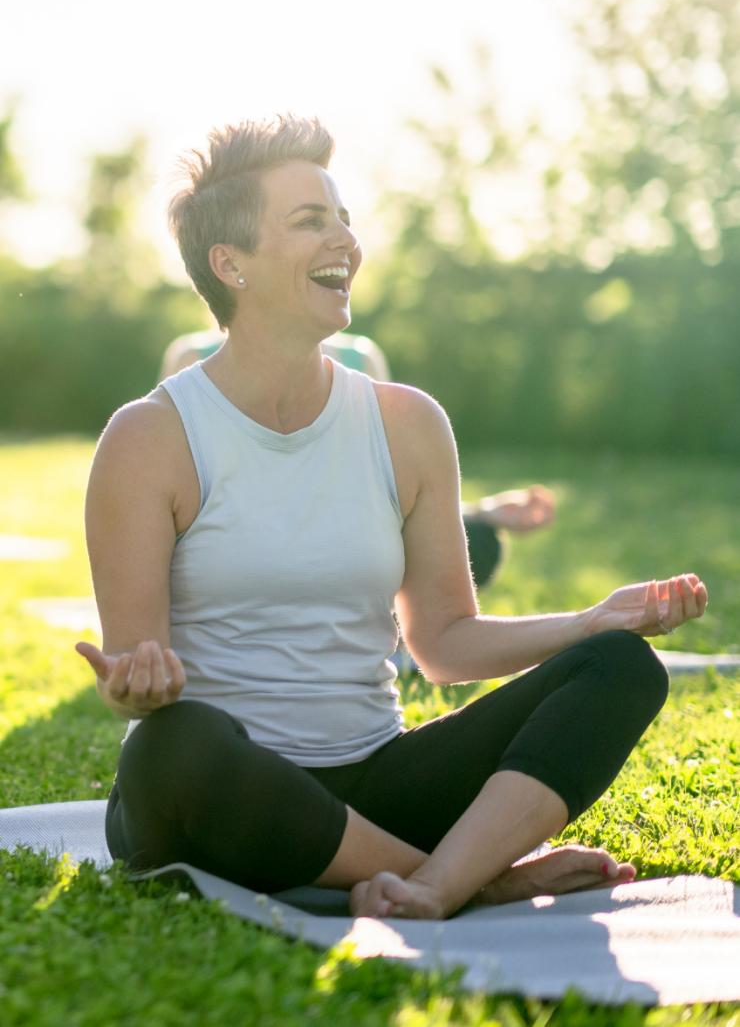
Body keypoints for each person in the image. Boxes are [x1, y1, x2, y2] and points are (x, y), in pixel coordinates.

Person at [77, 116, 707, 920]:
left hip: (380, 783)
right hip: (222, 790)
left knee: (620, 666)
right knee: (170, 749)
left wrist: (589, 621)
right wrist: (140, 684)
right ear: (229, 263)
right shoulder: (149, 437)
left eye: (343, 216)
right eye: (311, 220)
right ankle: (484, 878)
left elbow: (442, 642)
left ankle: (434, 884)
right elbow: (138, 671)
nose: (346, 238)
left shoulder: (407, 424)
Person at [159, 329, 557, 592]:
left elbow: (387, 483)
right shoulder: (192, 358)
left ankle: (393, 635)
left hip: (345, 529)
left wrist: (478, 512)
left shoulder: (361, 358)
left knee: (479, 543)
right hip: (240, 534)